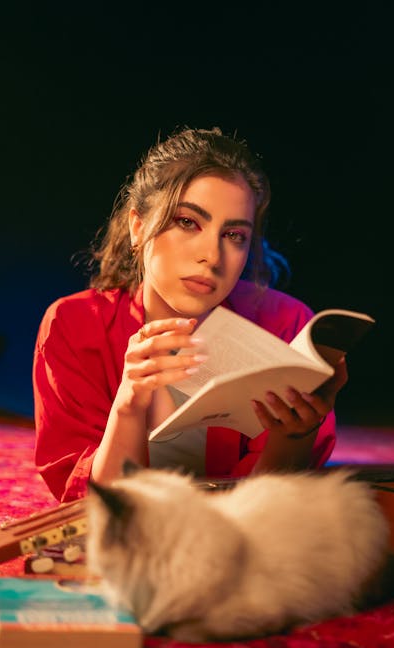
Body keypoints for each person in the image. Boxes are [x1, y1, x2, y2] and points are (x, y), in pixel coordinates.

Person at [33, 126, 347, 503]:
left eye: (234, 235)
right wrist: (130, 406)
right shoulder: (73, 325)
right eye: (187, 222)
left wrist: (294, 436)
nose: (212, 257)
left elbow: (268, 505)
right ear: (138, 226)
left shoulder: (287, 326)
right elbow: (94, 506)